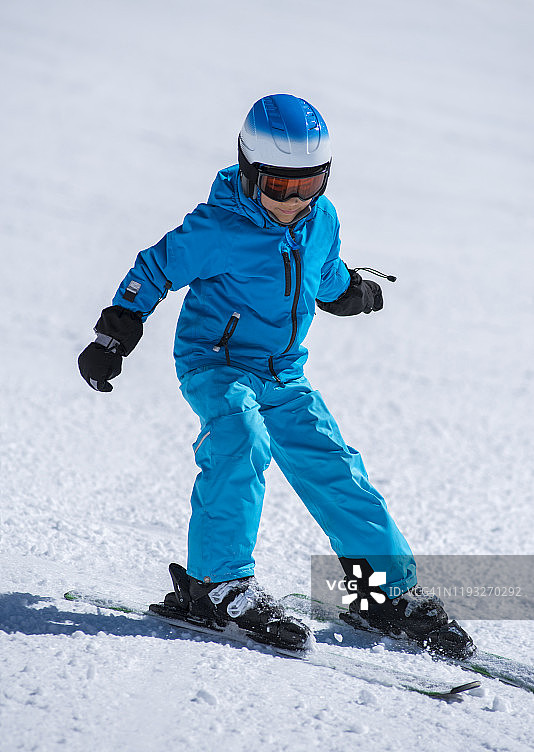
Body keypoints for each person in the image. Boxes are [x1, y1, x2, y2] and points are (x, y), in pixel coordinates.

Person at [78, 94, 473, 657]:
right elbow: (155, 268)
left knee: (335, 466)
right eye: (278, 187)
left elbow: (325, 269)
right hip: (216, 363)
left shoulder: (322, 220)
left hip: (284, 374)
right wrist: (114, 332)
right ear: (248, 170)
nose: (292, 201)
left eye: (307, 186)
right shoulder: (218, 227)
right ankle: (217, 585)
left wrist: (349, 292)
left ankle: (380, 592)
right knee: (241, 438)